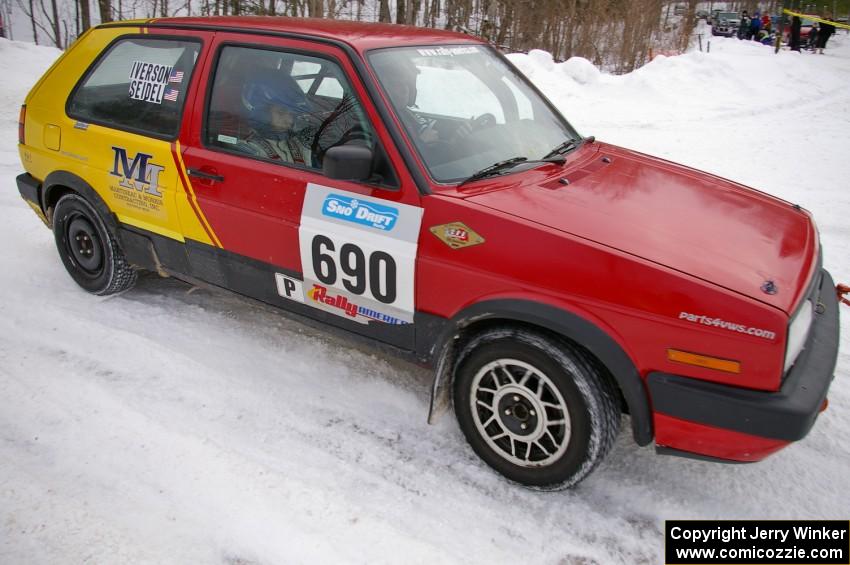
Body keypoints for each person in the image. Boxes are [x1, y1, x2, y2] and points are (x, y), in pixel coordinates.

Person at [240, 77, 315, 166]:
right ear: (262, 113)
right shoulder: (249, 149)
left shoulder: (300, 144)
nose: (289, 119)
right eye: (281, 112)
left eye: (292, 114)